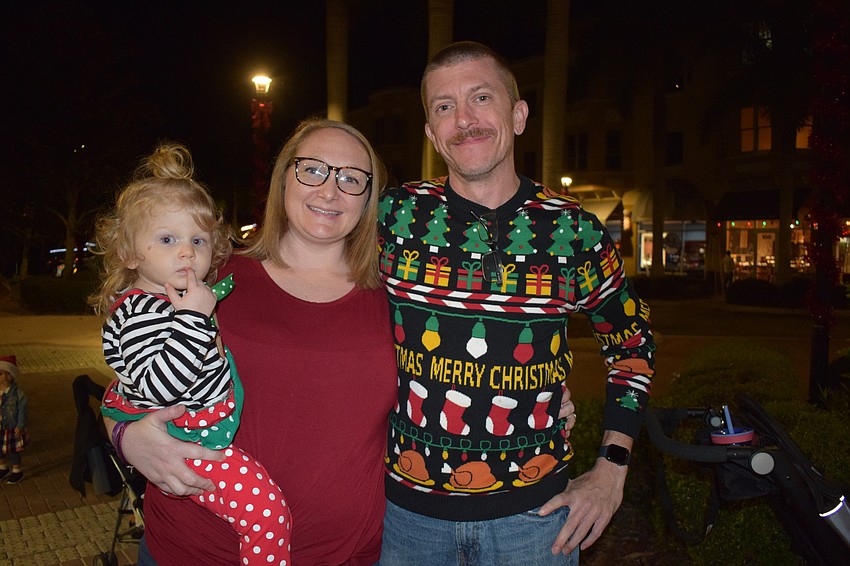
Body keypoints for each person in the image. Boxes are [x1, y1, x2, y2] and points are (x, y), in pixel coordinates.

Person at [377, 41, 656, 564]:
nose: (464, 119)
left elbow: (632, 347)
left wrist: (612, 469)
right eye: (444, 106)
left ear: (519, 116)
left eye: (481, 98)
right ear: (432, 133)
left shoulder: (574, 231)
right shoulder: (393, 217)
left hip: (537, 523)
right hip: (409, 523)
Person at [110, 119, 400, 565]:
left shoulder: (396, 295)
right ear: (284, 178)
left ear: (368, 198)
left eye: (350, 178)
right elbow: (128, 378)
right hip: (195, 551)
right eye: (312, 169)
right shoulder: (210, 276)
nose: (329, 191)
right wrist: (126, 437)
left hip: (347, 554)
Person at [90, 143, 292, 565]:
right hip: (189, 440)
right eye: (167, 239)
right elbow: (159, 387)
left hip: (193, 434)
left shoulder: (168, 301)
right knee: (266, 515)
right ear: (128, 253)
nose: (186, 251)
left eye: (198, 240)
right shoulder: (143, 312)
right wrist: (194, 319)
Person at [0, 354, 29, 484]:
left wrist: (20, 425)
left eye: (8, 374)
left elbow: (22, 411)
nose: (5, 377)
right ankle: (3, 467)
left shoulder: (18, 394)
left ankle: (17, 471)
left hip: (11, 428)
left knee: (13, 451)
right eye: (1, 374)